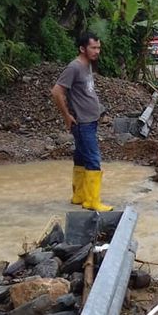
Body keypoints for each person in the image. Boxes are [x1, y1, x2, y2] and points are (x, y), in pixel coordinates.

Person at [50, 32, 113, 212]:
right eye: (93, 48)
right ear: (82, 48)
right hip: (82, 122)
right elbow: (56, 91)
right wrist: (66, 116)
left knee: (80, 157)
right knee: (93, 159)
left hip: (89, 120)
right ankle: (93, 201)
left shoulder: (88, 66)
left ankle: (79, 196)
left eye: (98, 47)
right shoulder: (74, 67)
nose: (97, 51)